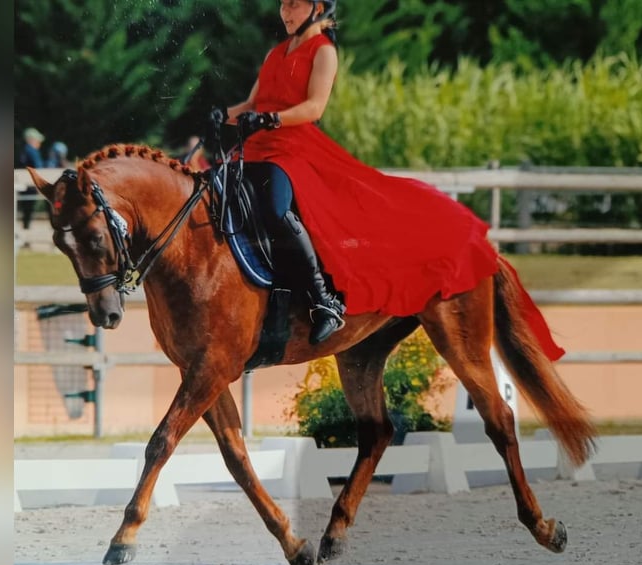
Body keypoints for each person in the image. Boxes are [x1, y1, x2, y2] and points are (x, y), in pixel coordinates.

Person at [212, 0, 560, 358]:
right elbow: (252, 103)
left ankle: (323, 300)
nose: (286, 12)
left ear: (317, 7)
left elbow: (314, 107)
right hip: (256, 148)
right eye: (283, 4)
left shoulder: (324, 52)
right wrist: (226, 115)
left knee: (276, 209)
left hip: (294, 151)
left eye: (294, 4)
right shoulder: (275, 54)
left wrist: (272, 120)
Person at [18, 127, 46, 230]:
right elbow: (38, 167)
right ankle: (26, 231)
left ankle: (25, 230)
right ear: (31, 140)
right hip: (31, 184)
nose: (39, 143)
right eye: (37, 140)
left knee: (26, 210)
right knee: (29, 209)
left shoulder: (24, 150)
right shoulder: (31, 151)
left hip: (25, 183)